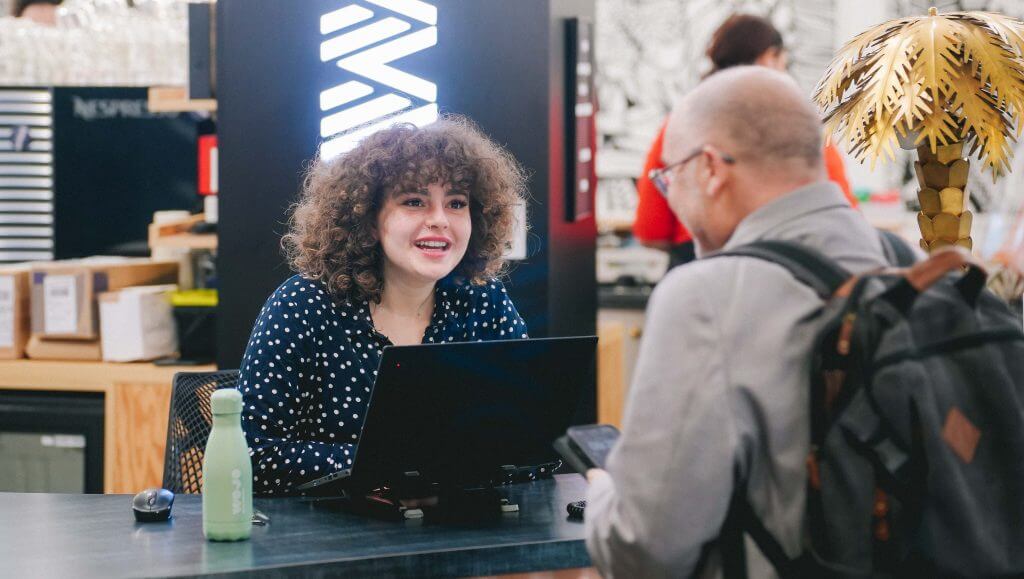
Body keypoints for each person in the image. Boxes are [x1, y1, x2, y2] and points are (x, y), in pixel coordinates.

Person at [583, 67, 889, 578]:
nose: (671, 196)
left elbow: (643, 549)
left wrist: (600, 493)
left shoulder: (705, 296)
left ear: (709, 169)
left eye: (667, 177)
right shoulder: (903, 264)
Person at [239, 117, 529, 496]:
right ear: (368, 221)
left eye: (456, 203)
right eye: (414, 201)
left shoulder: (484, 303)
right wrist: (391, 466)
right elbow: (251, 456)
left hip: (457, 533)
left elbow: (525, 446)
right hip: (330, 539)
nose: (440, 220)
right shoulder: (302, 306)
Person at [633, 13, 855, 268]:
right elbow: (843, 213)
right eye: (784, 61)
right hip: (793, 273)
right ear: (770, 57)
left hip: (697, 271)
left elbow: (651, 231)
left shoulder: (680, 126)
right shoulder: (800, 126)